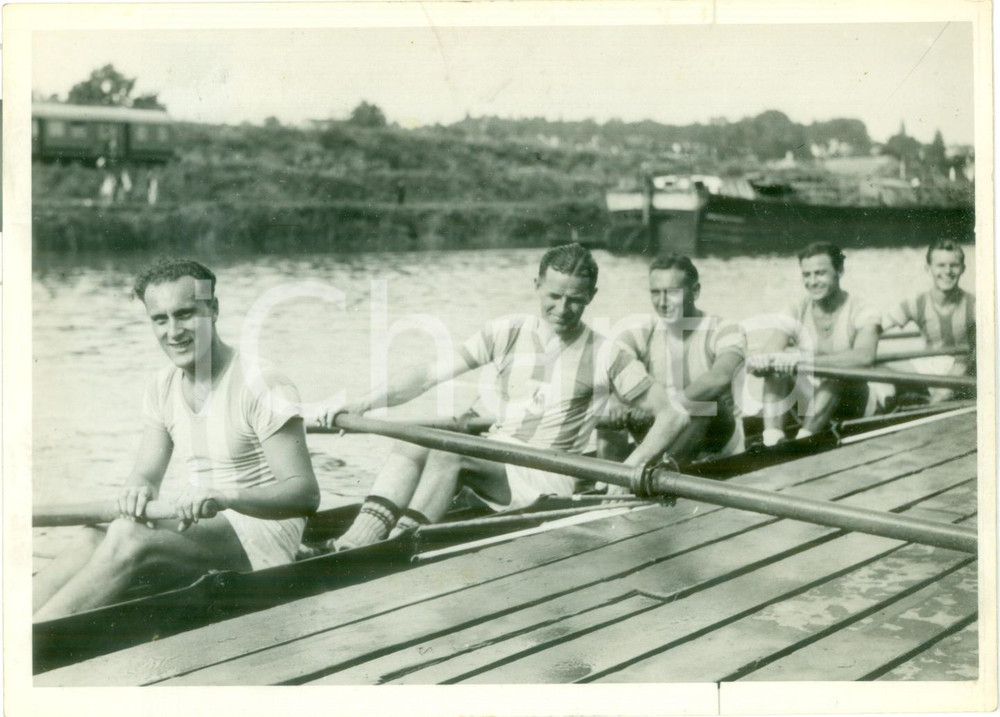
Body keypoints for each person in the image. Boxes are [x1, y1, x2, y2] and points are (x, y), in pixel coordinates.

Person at [319, 243, 689, 550]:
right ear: (537, 285)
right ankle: (356, 541)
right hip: (498, 456)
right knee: (411, 440)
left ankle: (400, 544)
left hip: (546, 477)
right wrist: (363, 404)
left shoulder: (607, 353)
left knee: (450, 453)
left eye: (575, 300)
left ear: (591, 296)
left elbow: (673, 415)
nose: (562, 309)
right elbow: (426, 376)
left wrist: (631, 468)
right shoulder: (507, 331)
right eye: (554, 296)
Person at [33, 259, 320, 620]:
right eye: (160, 319)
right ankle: (13, 629)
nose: (174, 331)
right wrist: (137, 490)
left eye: (185, 314)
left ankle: (36, 640)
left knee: (128, 536)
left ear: (213, 309)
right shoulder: (161, 387)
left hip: (265, 535)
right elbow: (145, 475)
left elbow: (305, 495)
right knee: (92, 536)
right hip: (205, 521)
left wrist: (225, 496)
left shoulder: (263, 383)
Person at [597, 255, 747, 466]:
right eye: (655, 292)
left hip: (718, 442)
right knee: (610, 406)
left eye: (672, 293)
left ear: (695, 291)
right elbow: (606, 370)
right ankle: (609, 477)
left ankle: (661, 471)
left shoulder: (725, 329)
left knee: (704, 404)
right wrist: (615, 402)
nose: (662, 302)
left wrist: (666, 410)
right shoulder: (642, 332)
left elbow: (719, 378)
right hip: (660, 431)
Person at [747, 242, 881, 446]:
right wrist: (765, 361)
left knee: (835, 376)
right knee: (776, 370)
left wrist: (800, 360)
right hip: (811, 400)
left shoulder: (863, 309)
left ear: (840, 271)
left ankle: (804, 441)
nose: (812, 282)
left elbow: (865, 356)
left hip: (854, 401)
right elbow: (772, 348)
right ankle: (772, 439)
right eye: (806, 275)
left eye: (820, 273)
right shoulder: (796, 308)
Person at [882, 240, 975, 403]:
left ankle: (931, 403)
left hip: (961, 369)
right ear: (928, 268)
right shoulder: (916, 302)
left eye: (954, 265)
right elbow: (876, 328)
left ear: (963, 269)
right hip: (929, 367)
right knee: (876, 367)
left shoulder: (975, 306)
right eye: (941, 265)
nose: (947, 271)